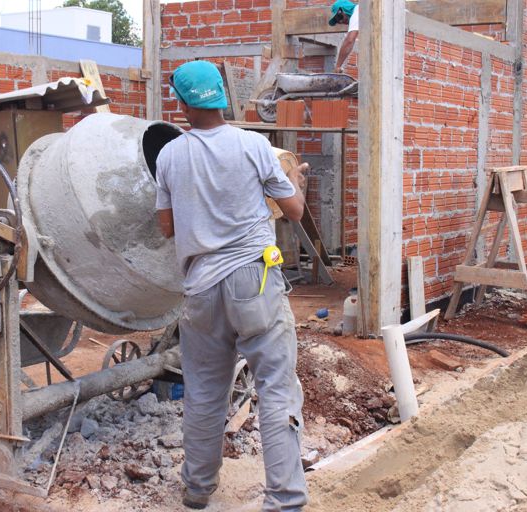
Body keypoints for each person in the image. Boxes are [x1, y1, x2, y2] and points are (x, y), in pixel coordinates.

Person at [155, 60, 309, 511]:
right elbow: (294, 210)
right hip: (254, 280)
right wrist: (294, 180)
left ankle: (198, 490)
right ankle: (284, 500)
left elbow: (166, 227)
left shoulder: (169, 156)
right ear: (222, 95)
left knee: (204, 392)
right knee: (276, 388)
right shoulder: (254, 146)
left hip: (201, 287)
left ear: (182, 104)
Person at [329, 0, 359, 73]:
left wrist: (338, 66)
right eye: (337, 20)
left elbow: (349, 41)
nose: (341, 22)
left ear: (343, 9)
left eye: (339, 17)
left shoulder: (357, 12)